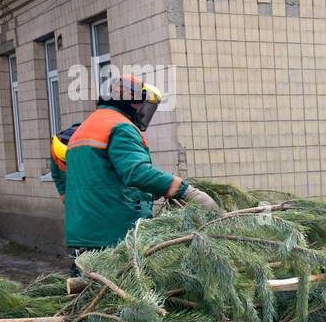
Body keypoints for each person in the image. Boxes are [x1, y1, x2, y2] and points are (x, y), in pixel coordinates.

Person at [51, 73, 216, 272]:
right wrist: (184, 190)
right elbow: (136, 173)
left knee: (90, 293)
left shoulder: (87, 127)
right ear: (132, 102)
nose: (144, 111)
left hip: (85, 234)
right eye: (143, 105)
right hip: (114, 233)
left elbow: (105, 180)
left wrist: (154, 191)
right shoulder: (120, 127)